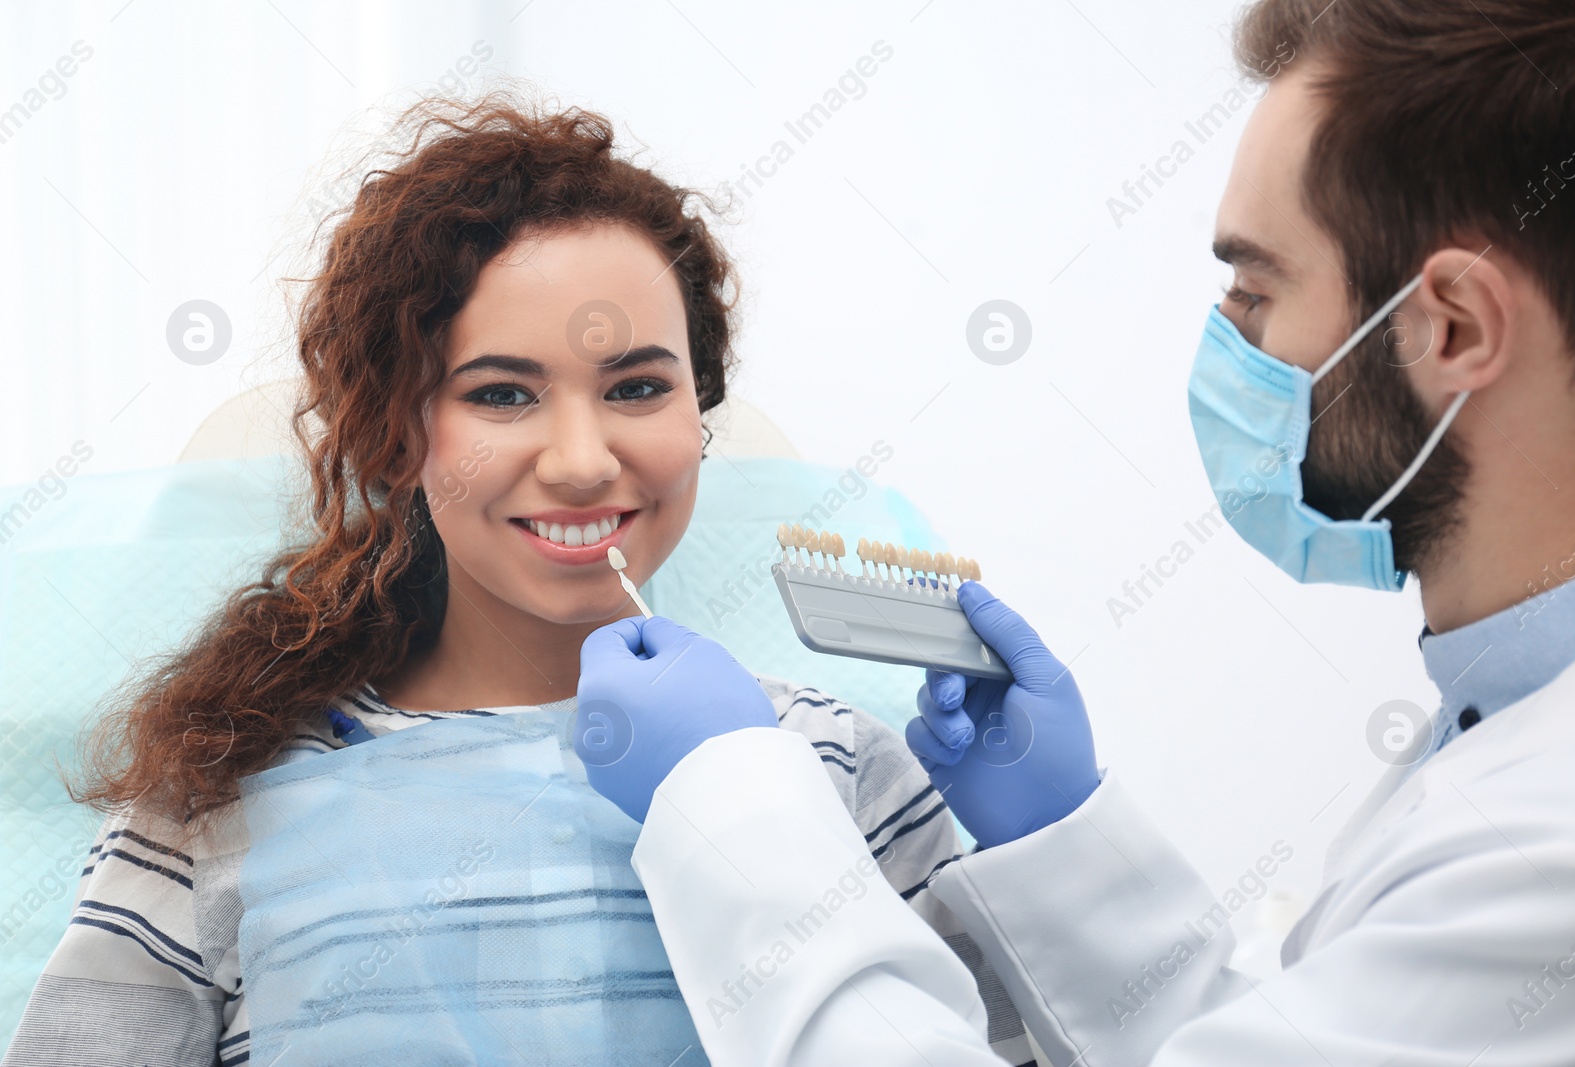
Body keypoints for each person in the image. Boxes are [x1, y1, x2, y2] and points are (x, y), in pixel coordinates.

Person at [572, 1, 1575, 1063]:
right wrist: (1061, 836)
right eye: (504, 394)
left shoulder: (1560, 844)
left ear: (1453, 328)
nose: (1228, 347)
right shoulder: (1509, 728)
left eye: (1255, 290)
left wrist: (731, 806)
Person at [2, 92, 1031, 1066]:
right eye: (501, 393)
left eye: (636, 386)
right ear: (399, 435)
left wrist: (1046, 839)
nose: (583, 458)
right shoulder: (217, 795)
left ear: (698, 418)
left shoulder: (838, 764)